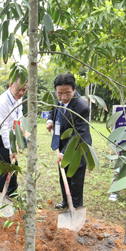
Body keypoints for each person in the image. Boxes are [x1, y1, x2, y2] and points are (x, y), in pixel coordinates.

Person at [47, 73, 92, 210]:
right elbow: (53, 108)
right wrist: (50, 120)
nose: (63, 97)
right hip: (61, 144)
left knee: (76, 180)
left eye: (68, 93)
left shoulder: (82, 107)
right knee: (63, 175)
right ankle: (66, 201)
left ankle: (76, 207)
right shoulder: (59, 98)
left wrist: (65, 153)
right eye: (59, 93)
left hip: (77, 147)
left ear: (74, 89)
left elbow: (78, 134)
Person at [0, 75, 28, 199]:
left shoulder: (18, 100)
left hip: (12, 135)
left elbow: (18, 118)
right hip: (0, 138)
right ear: (10, 85)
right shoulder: (2, 102)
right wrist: (11, 149)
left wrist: (22, 134)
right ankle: (0, 195)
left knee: (13, 164)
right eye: (19, 89)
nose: (21, 92)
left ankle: (12, 192)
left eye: (24, 89)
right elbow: (4, 129)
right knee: (2, 167)